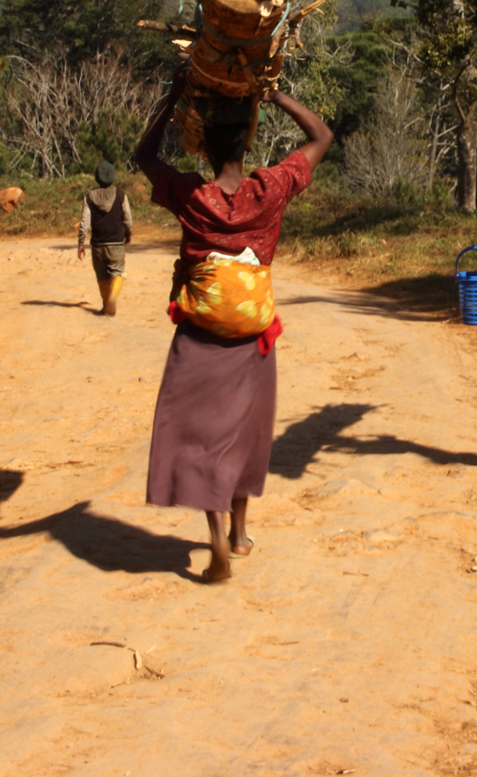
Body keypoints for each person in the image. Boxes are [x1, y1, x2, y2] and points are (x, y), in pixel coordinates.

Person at [132, 75, 333, 583]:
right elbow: (322, 137)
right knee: (244, 436)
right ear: (246, 144)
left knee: (201, 438)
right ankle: (240, 535)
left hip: (199, 339)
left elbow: (144, 155)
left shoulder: (190, 194)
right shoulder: (270, 189)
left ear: (202, 145)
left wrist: (175, 96)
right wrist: (277, 96)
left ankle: (218, 535)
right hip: (251, 342)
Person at [76, 161, 132, 316]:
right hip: (116, 243)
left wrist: (81, 242)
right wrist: (128, 234)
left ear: (96, 178)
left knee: (101, 277)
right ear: (113, 178)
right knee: (117, 273)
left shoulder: (89, 197)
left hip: (97, 245)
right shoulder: (121, 195)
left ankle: (106, 305)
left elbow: (85, 222)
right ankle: (112, 300)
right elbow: (127, 218)